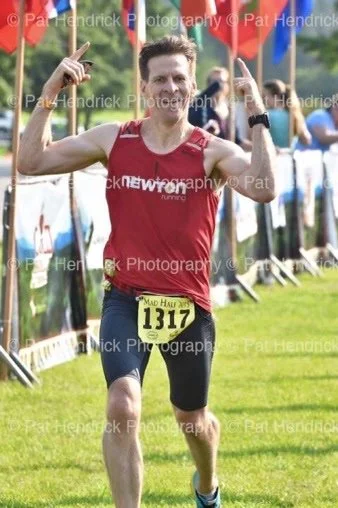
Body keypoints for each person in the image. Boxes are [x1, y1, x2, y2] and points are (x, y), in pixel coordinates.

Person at [18, 35, 276, 508]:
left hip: (187, 306)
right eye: (160, 79)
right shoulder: (115, 139)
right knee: (122, 405)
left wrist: (257, 114)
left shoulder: (210, 150)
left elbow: (263, 187)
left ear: (192, 83)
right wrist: (51, 90)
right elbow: (30, 160)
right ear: (144, 87)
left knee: (192, 418)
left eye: (180, 78)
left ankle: (207, 485)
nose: (171, 87)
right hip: (126, 298)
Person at [189, 66, 252, 151]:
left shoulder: (229, 110)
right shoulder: (199, 108)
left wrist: (258, 148)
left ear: (227, 86)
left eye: (221, 81)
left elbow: (237, 141)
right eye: (214, 82)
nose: (218, 85)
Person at [263, 79, 311, 150]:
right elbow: (307, 140)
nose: (263, 99)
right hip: (289, 156)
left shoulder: (267, 115)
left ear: (276, 96)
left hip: (273, 156)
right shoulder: (295, 115)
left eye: (265, 95)